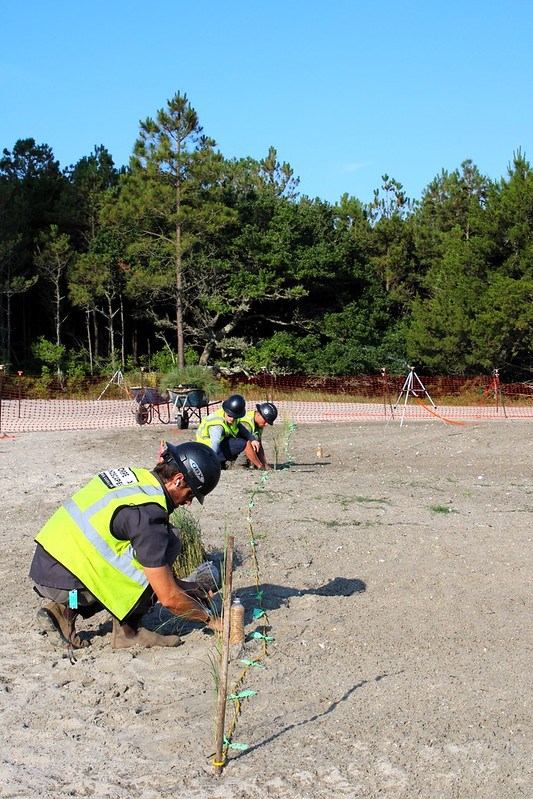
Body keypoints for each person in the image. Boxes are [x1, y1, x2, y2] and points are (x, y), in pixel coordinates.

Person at [30, 441, 222, 652]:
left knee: (167, 540)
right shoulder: (148, 515)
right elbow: (168, 598)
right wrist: (210, 620)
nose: (188, 503)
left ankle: (60, 611)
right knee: (166, 544)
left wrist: (183, 586)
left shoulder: (137, 478)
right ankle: (126, 633)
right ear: (177, 480)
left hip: (49, 561)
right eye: (190, 494)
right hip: (67, 581)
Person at [196, 393, 261, 469]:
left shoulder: (232, 417)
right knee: (241, 443)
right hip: (206, 450)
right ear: (226, 411)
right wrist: (212, 461)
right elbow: (215, 442)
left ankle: (224, 461)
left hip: (217, 445)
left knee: (241, 439)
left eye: (235, 417)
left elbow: (243, 429)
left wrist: (253, 439)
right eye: (230, 416)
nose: (232, 419)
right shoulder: (217, 425)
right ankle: (218, 462)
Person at [237, 402, 278, 470]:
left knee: (255, 440)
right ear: (259, 414)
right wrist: (259, 466)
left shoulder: (259, 425)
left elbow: (259, 446)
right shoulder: (246, 422)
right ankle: (239, 464)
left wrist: (265, 465)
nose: (266, 424)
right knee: (252, 440)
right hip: (226, 449)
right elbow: (246, 446)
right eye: (265, 421)